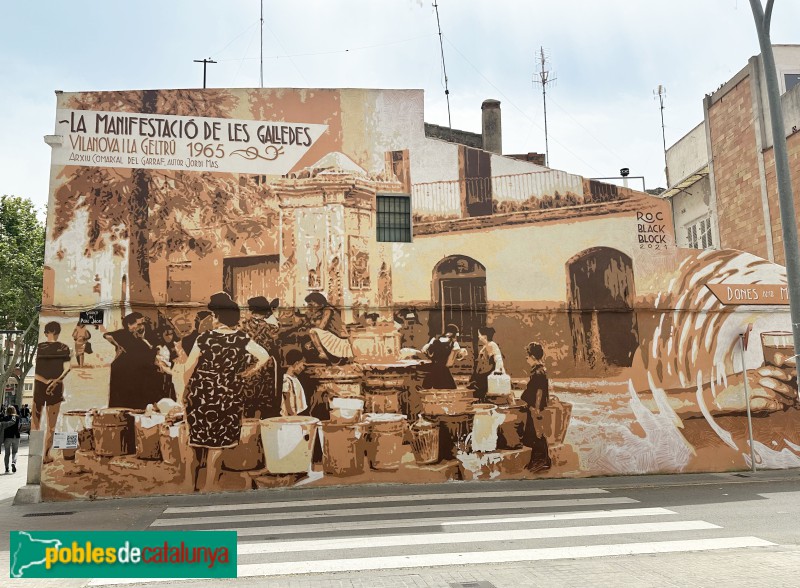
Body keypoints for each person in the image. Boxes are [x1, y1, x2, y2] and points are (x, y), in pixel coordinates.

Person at [183, 292, 271, 493]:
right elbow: (264, 356)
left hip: (201, 392)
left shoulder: (204, 338)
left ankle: (189, 485)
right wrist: (247, 373)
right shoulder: (241, 338)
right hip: (228, 394)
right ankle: (209, 485)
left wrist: (185, 391)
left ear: (216, 318)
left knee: (195, 440)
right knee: (217, 443)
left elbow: (189, 368)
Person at [104, 312, 161, 410]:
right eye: (138, 324)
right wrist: (118, 346)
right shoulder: (123, 334)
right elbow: (107, 335)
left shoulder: (142, 335)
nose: (141, 326)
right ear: (129, 325)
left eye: (142, 324)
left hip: (139, 374)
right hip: (124, 374)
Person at [32, 321, 71, 464]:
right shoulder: (63, 347)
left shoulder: (39, 347)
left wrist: (45, 381)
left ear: (45, 332)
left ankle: (34, 457)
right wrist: (55, 381)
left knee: (35, 423)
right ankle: (46, 455)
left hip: (39, 387)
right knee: (51, 425)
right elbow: (68, 368)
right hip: (56, 388)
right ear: (58, 332)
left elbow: (35, 371)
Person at [240, 297, 281, 419]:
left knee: (248, 403)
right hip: (267, 366)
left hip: (249, 364)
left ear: (251, 310)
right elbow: (276, 348)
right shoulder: (273, 329)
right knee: (267, 404)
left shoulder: (242, 327)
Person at [521, 342, 551, 472]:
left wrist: (537, 408)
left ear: (532, 356)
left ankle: (542, 460)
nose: (526, 359)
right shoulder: (538, 370)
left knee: (537, 433)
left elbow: (539, 392)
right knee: (532, 433)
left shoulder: (538, 371)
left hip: (535, 406)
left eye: (527, 357)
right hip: (532, 406)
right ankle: (537, 460)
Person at [303, 292, 354, 364]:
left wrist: (311, 342)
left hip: (340, 340)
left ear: (320, 303)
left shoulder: (328, 310)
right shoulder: (324, 310)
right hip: (336, 338)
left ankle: (322, 353)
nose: (309, 307)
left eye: (311, 304)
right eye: (308, 304)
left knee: (312, 332)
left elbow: (321, 327)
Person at [421, 324, 468, 389]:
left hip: (433, 368)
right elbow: (450, 362)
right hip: (443, 369)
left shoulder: (435, 339)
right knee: (449, 389)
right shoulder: (454, 343)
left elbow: (424, 350)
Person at [468, 326, 506, 402]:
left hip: (488, 373)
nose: (478, 336)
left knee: (483, 392)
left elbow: (498, 358)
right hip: (483, 373)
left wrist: (498, 371)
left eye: (479, 334)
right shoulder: (486, 345)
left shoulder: (491, 345)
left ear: (484, 336)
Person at [281, 349, 309, 417]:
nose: (303, 368)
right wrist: (291, 413)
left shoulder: (294, 378)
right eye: (302, 365)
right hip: (290, 415)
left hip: (296, 413)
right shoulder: (286, 379)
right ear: (296, 363)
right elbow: (286, 396)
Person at [1, 406, 21, 473]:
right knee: (15, 452)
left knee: (7, 453)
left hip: (7, 437)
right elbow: (18, 427)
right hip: (16, 437)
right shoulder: (17, 418)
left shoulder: (5, 418)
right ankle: (13, 462)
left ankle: (7, 468)